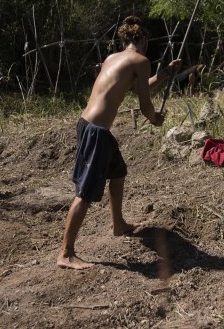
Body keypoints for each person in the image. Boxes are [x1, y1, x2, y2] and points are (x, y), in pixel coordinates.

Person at [58, 16, 180, 269]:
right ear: (143, 39)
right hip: (97, 132)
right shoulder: (142, 60)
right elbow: (144, 103)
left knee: (118, 171)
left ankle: (118, 224)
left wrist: (165, 73)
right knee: (85, 192)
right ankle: (66, 253)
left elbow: (134, 87)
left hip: (87, 124)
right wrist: (154, 119)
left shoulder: (113, 59)